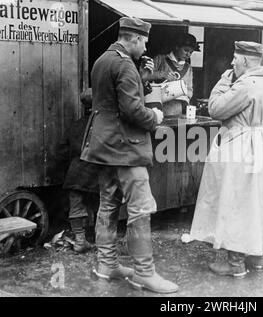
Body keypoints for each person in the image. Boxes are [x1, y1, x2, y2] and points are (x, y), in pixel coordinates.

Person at [80, 16, 178, 294]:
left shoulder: (104, 60)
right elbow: (133, 111)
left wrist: (142, 79)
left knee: (108, 205)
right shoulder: (124, 64)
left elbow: (106, 100)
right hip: (126, 149)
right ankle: (145, 274)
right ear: (133, 38)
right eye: (144, 41)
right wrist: (156, 116)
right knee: (141, 208)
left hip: (104, 147)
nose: (145, 47)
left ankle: (106, 265)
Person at [189, 41, 263, 277]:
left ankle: (235, 263)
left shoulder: (246, 83)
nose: (232, 63)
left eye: (235, 58)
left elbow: (216, 108)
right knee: (258, 202)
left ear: (245, 60)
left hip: (243, 147)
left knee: (237, 201)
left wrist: (225, 79)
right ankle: (257, 258)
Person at [58, 88, 99, 253]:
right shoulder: (103, 126)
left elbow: (61, 151)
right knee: (101, 206)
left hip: (75, 173)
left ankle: (80, 241)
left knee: (76, 206)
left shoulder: (75, 125)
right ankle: (101, 240)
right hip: (95, 173)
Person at [145, 33, 200, 116]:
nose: (188, 54)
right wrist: (162, 74)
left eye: (191, 52)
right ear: (177, 47)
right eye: (186, 50)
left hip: (179, 108)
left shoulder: (188, 68)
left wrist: (183, 92)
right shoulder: (160, 59)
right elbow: (145, 76)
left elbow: (190, 90)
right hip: (159, 107)